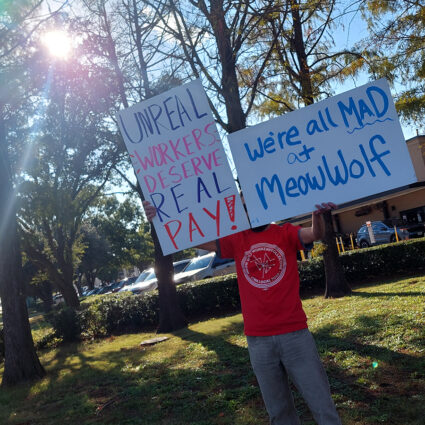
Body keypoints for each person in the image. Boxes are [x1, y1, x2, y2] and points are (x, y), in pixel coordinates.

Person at [143, 199, 341, 425]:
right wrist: (160, 219)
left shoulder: (284, 232)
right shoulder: (237, 239)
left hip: (295, 334)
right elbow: (190, 236)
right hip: (258, 341)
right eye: (247, 209)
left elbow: (314, 234)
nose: (252, 213)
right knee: (279, 413)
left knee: (322, 405)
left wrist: (317, 214)